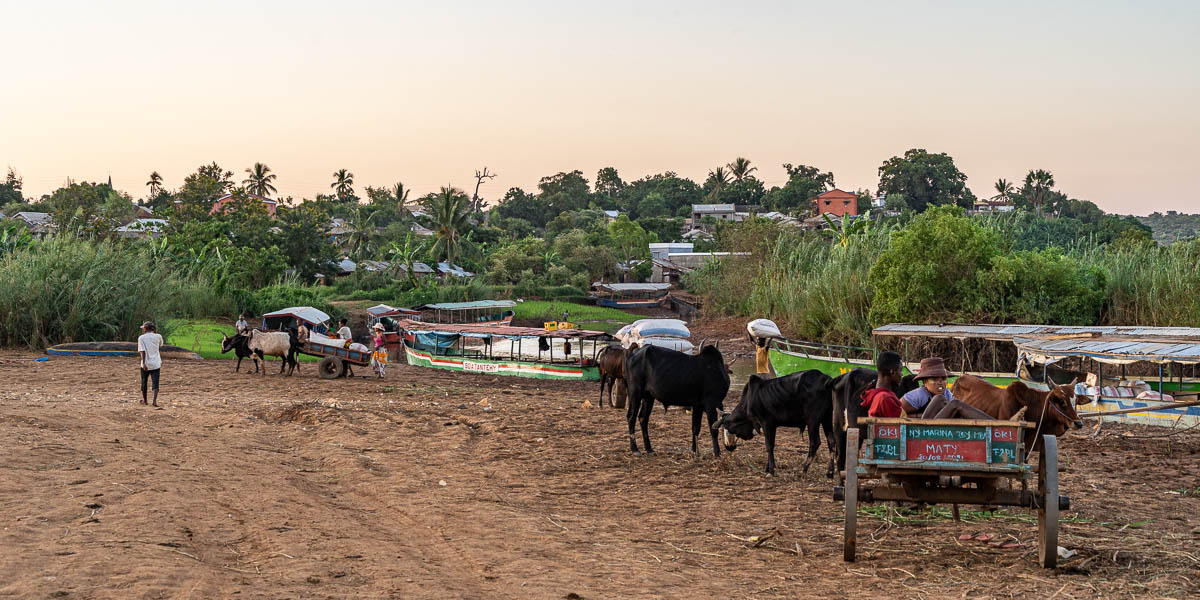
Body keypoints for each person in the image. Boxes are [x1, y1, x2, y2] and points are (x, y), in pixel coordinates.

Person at [902, 357, 994, 420]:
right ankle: (996, 425)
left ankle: (993, 423)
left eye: (943, 378)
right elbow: (898, 415)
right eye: (934, 379)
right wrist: (919, 416)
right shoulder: (916, 396)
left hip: (938, 428)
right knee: (953, 403)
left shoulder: (946, 393)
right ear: (924, 382)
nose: (940, 382)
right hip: (922, 430)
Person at [860, 351, 905, 418]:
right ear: (892, 372)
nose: (902, 374)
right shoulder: (886, 398)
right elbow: (901, 426)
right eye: (900, 370)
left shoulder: (878, 395)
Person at [137, 321, 164, 407]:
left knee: (144, 381)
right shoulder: (158, 336)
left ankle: (145, 401)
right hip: (156, 363)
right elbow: (161, 345)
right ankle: (154, 401)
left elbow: (142, 351)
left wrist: (144, 363)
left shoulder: (141, 338)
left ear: (145, 329)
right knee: (155, 382)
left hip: (146, 364)